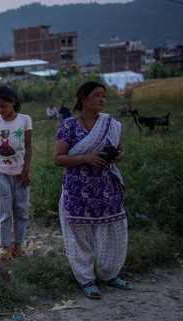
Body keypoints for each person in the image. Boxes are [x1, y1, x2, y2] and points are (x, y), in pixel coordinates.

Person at [53, 81, 132, 300]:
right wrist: (85, 157)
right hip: (78, 191)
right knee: (80, 237)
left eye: (104, 96)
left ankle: (109, 275)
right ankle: (86, 279)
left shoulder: (110, 124)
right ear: (83, 99)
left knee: (113, 232)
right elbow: (58, 159)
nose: (102, 100)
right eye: (97, 95)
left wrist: (116, 156)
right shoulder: (68, 126)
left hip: (107, 190)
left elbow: (121, 151)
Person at [0, 85, 32, 263]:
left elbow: (28, 146)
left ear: (13, 102)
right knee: (5, 212)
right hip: (3, 174)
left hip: (21, 174)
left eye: (3, 106)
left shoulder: (25, 120)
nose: (0, 110)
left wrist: (26, 170)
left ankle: (18, 245)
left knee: (22, 211)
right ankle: (5, 247)